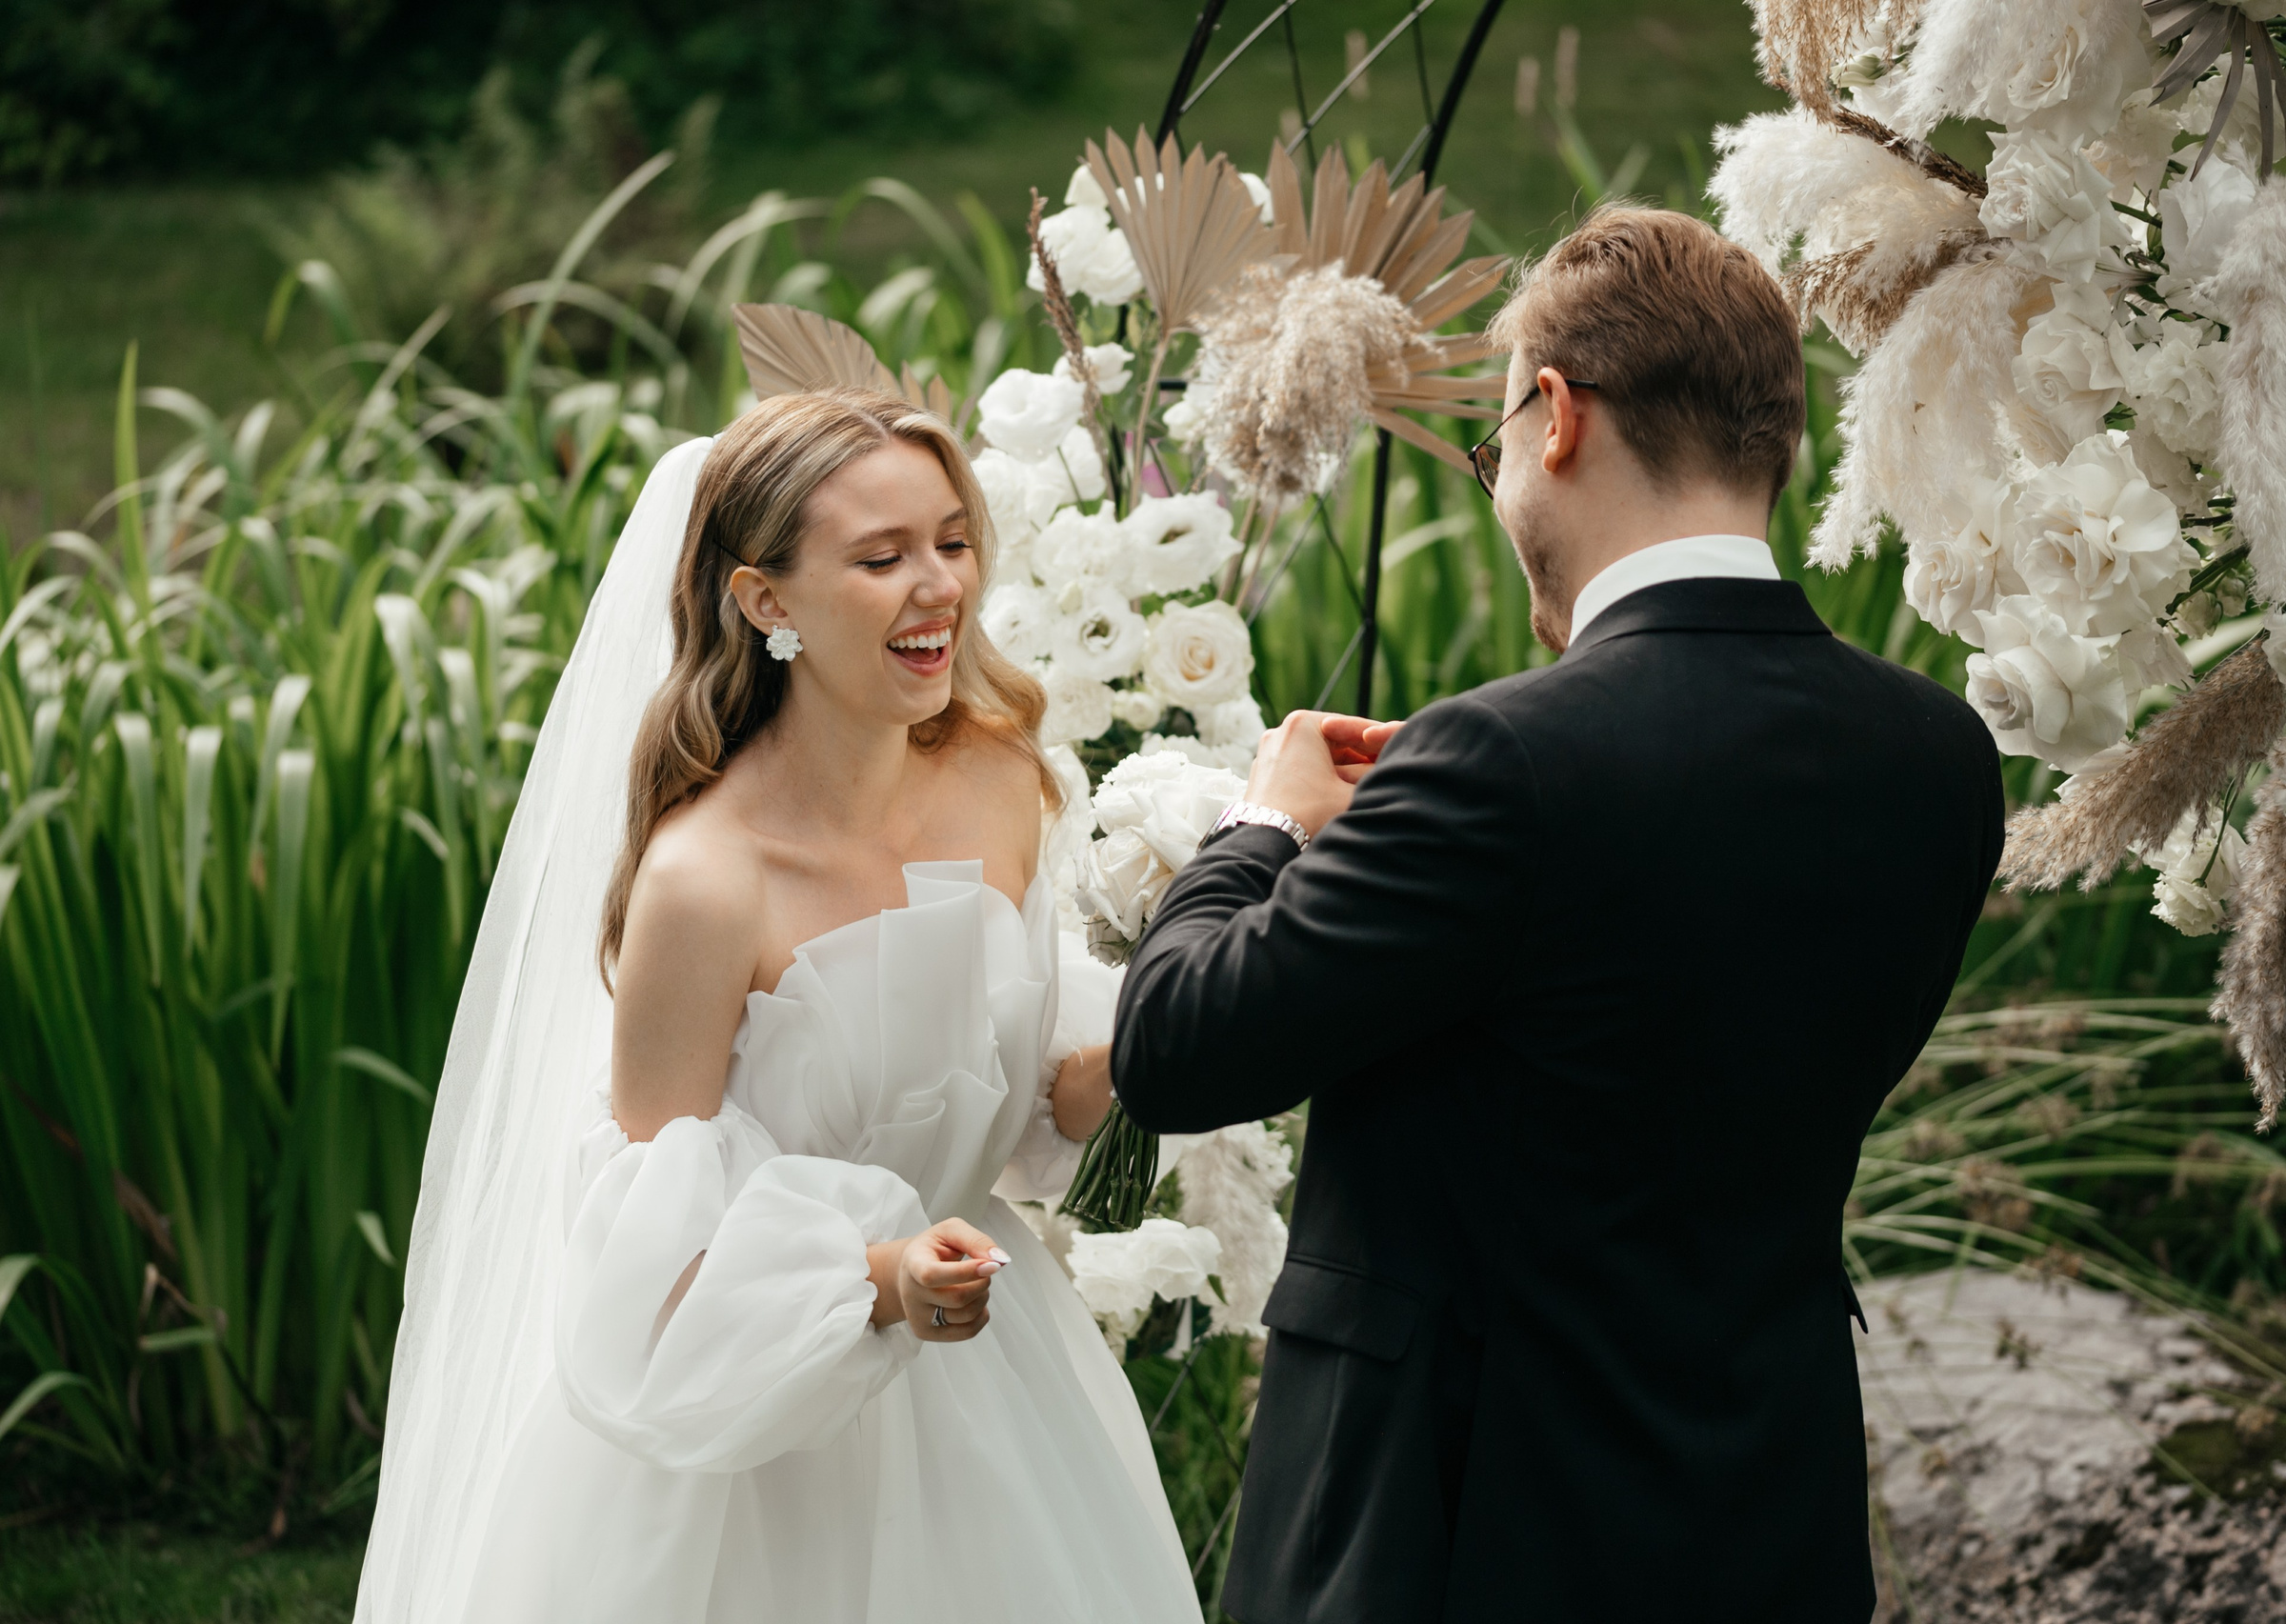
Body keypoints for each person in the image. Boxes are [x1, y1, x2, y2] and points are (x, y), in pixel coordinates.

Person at [1110, 207, 2006, 1622]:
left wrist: (1266, 824)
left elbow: (1172, 1047)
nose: (1498, 481)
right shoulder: (1939, 757)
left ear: (1558, 414)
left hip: (1461, 1529)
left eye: (1493, 447)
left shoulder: (1502, 763)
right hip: (1768, 1514)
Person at [355, 391, 1201, 1623]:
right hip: (759, 1436)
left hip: (990, 1387)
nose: (939, 588)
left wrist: (1172, 1017)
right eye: (881, 557)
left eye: (952, 542)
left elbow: (1014, 1090)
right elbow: (649, 1266)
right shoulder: (707, 881)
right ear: (766, 601)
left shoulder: (1002, 777)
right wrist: (878, 1276)